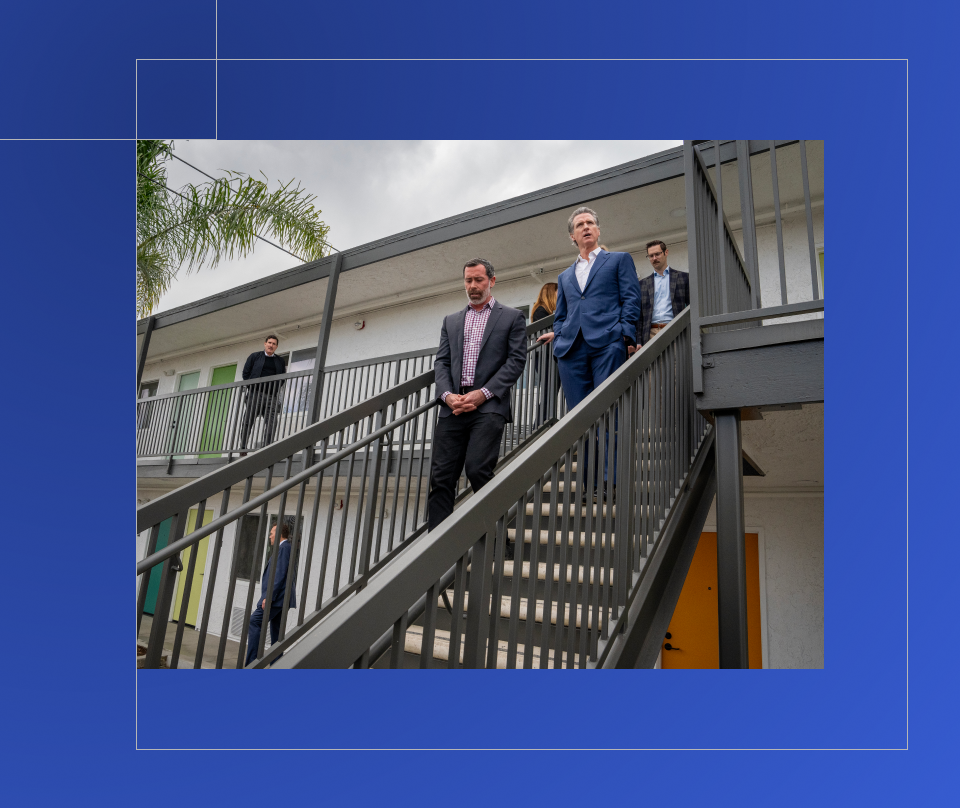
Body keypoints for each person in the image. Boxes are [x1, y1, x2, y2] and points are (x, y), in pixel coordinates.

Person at [538, 208, 641, 501]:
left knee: (607, 411)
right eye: (580, 225)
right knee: (579, 418)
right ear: (573, 236)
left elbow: (631, 298)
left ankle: (609, 482)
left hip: (608, 343)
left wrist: (625, 335)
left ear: (598, 230)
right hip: (571, 351)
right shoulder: (565, 276)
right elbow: (562, 315)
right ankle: (588, 484)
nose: (586, 227)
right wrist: (559, 335)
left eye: (590, 223)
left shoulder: (618, 260)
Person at [428, 259, 527, 538]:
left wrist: (482, 394)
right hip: (453, 409)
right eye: (468, 280)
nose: (473, 286)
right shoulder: (451, 321)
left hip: (488, 407)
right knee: (441, 479)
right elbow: (442, 363)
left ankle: (498, 538)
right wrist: (447, 396)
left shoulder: (511, 317)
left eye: (478, 280)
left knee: (477, 469)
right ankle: (437, 547)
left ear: (492, 281)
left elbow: (516, 361)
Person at [245, 522, 297, 667]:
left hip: (277, 598)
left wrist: (268, 596)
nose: (269, 536)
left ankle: (251, 664)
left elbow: (279, 574)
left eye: (271, 533)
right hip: (281, 599)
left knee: (255, 621)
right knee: (277, 634)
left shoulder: (284, 548)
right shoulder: (284, 548)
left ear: (280, 533)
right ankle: (277, 666)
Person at [632, 240, 690, 350]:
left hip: (675, 329)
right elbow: (639, 315)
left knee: (676, 365)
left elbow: (692, 307)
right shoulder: (642, 284)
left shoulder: (683, 278)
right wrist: (638, 340)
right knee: (654, 367)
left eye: (657, 254)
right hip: (650, 333)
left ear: (666, 252)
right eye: (651, 256)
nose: (654, 258)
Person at [239, 335, 287, 455]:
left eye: (274, 344)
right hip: (255, 394)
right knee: (248, 421)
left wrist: (274, 388)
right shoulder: (255, 356)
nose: (271, 345)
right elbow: (246, 373)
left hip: (272, 396)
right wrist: (252, 386)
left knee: (272, 422)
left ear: (276, 347)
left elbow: (282, 378)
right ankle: (243, 447)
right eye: (269, 343)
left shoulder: (280, 361)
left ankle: (267, 447)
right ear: (265, 344)